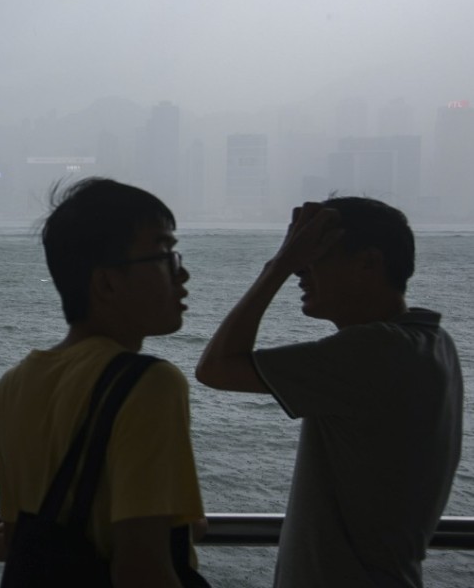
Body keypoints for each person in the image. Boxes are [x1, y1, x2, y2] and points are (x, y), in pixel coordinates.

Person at [195, 197, 463, 587]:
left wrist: (277, 266)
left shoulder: (379, 350)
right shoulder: (434, 341)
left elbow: (215, 368)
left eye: (313, 254)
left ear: (368, 262)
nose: (301, 271)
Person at [0, 178, 205, 586]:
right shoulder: (150, 383)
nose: (183, 273)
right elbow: (141, 570)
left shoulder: (13, 385)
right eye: (163, 255)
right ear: (106, 282)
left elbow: (19, 538)